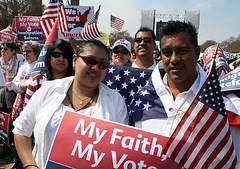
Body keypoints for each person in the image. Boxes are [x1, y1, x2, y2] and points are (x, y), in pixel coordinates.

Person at [130, 21, 240, 167]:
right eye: (167, 52)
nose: (174, 59)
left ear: (196, 51)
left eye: (182, 51)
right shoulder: (140, 101)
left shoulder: (221, 109)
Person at [13, 39, 129, 169]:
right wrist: (30, 166)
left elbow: (119, 152)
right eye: (90, 60)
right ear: (75, 60)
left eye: (103, 64)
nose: (96, 68)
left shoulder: (115, 101)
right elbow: (21, 131)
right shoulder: (48, 90)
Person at [24, 39, 74, 107]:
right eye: (56, 55)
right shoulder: (36, 82)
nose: (61, 59)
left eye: (65, 55)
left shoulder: (77, 83)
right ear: (49, 57)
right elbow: (27, 113)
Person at [0, 40, 20, 158]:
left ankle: (15, 147)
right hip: (1, 97)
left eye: (5, 49)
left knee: (11, 122)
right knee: (2, 122)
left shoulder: (18, 63)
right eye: (2, 48)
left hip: (12, 97)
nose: (3, 51)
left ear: (13, 51)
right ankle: (6, 147)